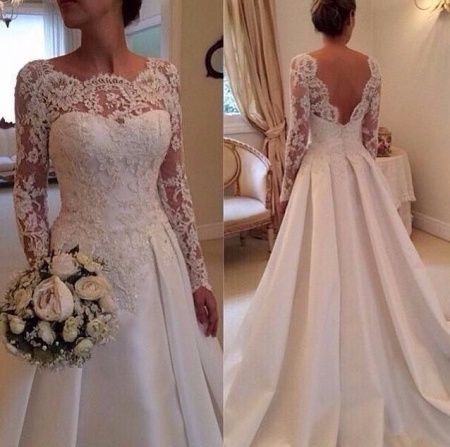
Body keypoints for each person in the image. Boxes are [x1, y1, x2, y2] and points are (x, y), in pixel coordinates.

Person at [224, 1, 450, 446]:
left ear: (319, 22)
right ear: (349, 20)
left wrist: (286, 188)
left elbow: (297, 138)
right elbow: (369, 134)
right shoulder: (372, 66)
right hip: (360, 170)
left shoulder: (303, 64)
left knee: (316, 261)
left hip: (319, 173)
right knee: (374, 256)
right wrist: (357, 154)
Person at [0, 1, 222, 446]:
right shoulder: (38, 80)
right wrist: (47, 282)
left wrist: (199, 275)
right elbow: (28, 193)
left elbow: (174, 184)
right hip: (77, 262)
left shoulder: (164, 77)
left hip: (157, 263)